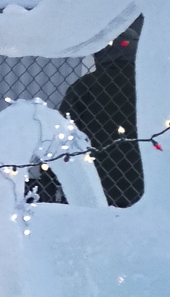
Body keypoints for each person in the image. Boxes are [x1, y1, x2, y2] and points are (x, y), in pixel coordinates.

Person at [58, 19, 142, 207]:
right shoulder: (148, 85)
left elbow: (62, 133)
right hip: (141, 177)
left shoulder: (85, 85)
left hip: (95, 178)